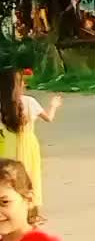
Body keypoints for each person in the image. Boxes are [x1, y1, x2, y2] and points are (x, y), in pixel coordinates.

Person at [0, 69, 63, 208]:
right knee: (30, 173)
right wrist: (53, 106)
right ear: (18, 85)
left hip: (7, 143)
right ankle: (30, 205)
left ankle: (9, 203)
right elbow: (49, 118)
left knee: (7, 175)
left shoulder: (2, 104)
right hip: (28, 143)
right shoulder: (30, 101)